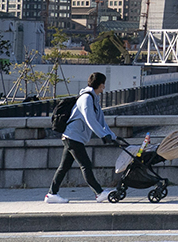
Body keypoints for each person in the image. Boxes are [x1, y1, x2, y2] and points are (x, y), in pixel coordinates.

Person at [45, 72, 122, 204]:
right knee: (86, 165)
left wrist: (113, 136)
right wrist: (103, 136)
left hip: (75, 137)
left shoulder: (94, 98)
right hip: (72, 136)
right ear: (99, 84)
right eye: (103, 84)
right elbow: (90, 120)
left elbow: (101, 120)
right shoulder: (86, 98)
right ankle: (99, 193)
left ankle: (51, 194)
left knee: (64, 167)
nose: (104, 87)